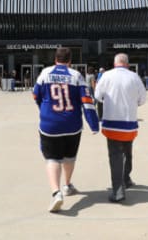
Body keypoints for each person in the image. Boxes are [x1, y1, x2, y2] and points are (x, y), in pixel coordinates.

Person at [33, 47, 99, 213]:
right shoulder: (76, 76)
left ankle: (56, 193)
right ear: (70, 61)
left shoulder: (45, 73)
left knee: (52, 159)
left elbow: (35, 95)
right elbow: (86, 100)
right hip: (72, 124)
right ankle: (67, 185)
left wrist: (44, 109)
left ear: (55, 59)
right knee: (69, 156)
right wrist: (93, 123)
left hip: (50, 124)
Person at [94, 53, 147, 203]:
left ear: (114, 63)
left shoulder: (106, 76)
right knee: (127, 151)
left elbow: (97, 95)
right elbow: (142, 99)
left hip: (112, 124)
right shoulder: (134, 77)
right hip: (129, 124)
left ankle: (118, 190)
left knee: (115, 156)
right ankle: (126, 178)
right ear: (127, 64)